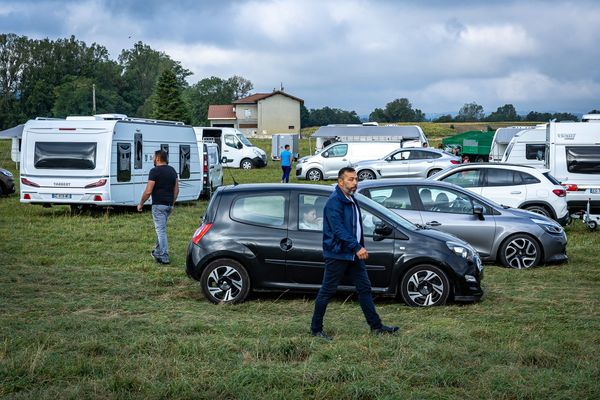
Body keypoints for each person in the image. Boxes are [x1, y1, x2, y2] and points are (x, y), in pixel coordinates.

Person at [310, 167, 399, 340]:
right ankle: (315, 329)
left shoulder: (351, 198)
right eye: (350, 179)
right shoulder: (334, 202)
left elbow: (355, 226)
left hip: (352, 254)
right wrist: (357, 247)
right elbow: (338, 230)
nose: (355, 183)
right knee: (327, 291)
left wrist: (357, 247)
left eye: (356, 179)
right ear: (340, 181)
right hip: (338, 254)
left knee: (365, 289)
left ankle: (376, 327)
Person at [137, 150, 179, 265]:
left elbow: (148, 191)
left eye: (153, 157)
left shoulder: (154, 171)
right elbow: (176, 190)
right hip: (169, 205)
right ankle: (157, 251)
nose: (152, 159)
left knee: (161, 231)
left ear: (158, 159)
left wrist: (141, 203)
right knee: (160, 229)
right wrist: (173, 203)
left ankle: (164, 256)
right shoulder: (172, 170)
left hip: (158, 205)